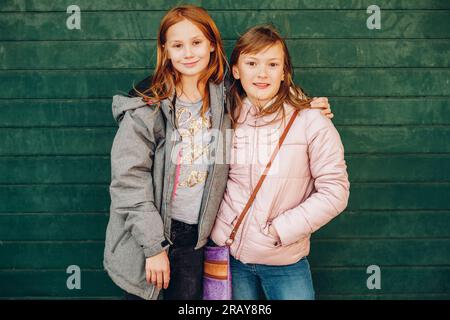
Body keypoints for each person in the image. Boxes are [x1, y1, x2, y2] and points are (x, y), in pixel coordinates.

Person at [103, 5, 333, 300]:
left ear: (212, 44)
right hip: (147, 238)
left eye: (197, 42)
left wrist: (303, 103)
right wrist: (152, 247)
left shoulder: (226, 96)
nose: (188, 53)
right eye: (178, 45)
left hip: (196, 241)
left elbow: (265, 88)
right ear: (165, 49)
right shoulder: (147, 105)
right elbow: (128, 179)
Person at [210, 25, 350, 300]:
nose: (262, 73)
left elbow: (336, 191)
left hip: (284, 261)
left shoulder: (312, 121)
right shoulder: (224, 116)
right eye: (252, 63)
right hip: (229, 258)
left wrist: (280, 230)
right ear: (236, 70)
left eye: (273, 64)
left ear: (284, 72)